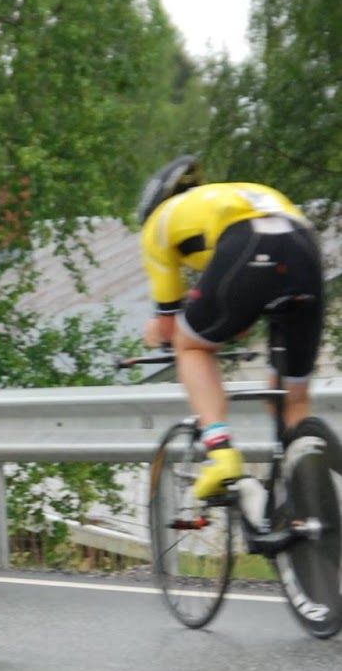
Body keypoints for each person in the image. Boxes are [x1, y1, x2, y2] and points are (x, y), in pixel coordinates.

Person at [137, 155, 324, 501]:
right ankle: (312, 501)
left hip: (249, 244)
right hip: (305, 247)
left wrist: (159, 331)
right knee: (292, 400)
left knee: (189, 345)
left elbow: (169, 320)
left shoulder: (157, 226)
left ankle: (221, 452)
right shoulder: (234, 195)